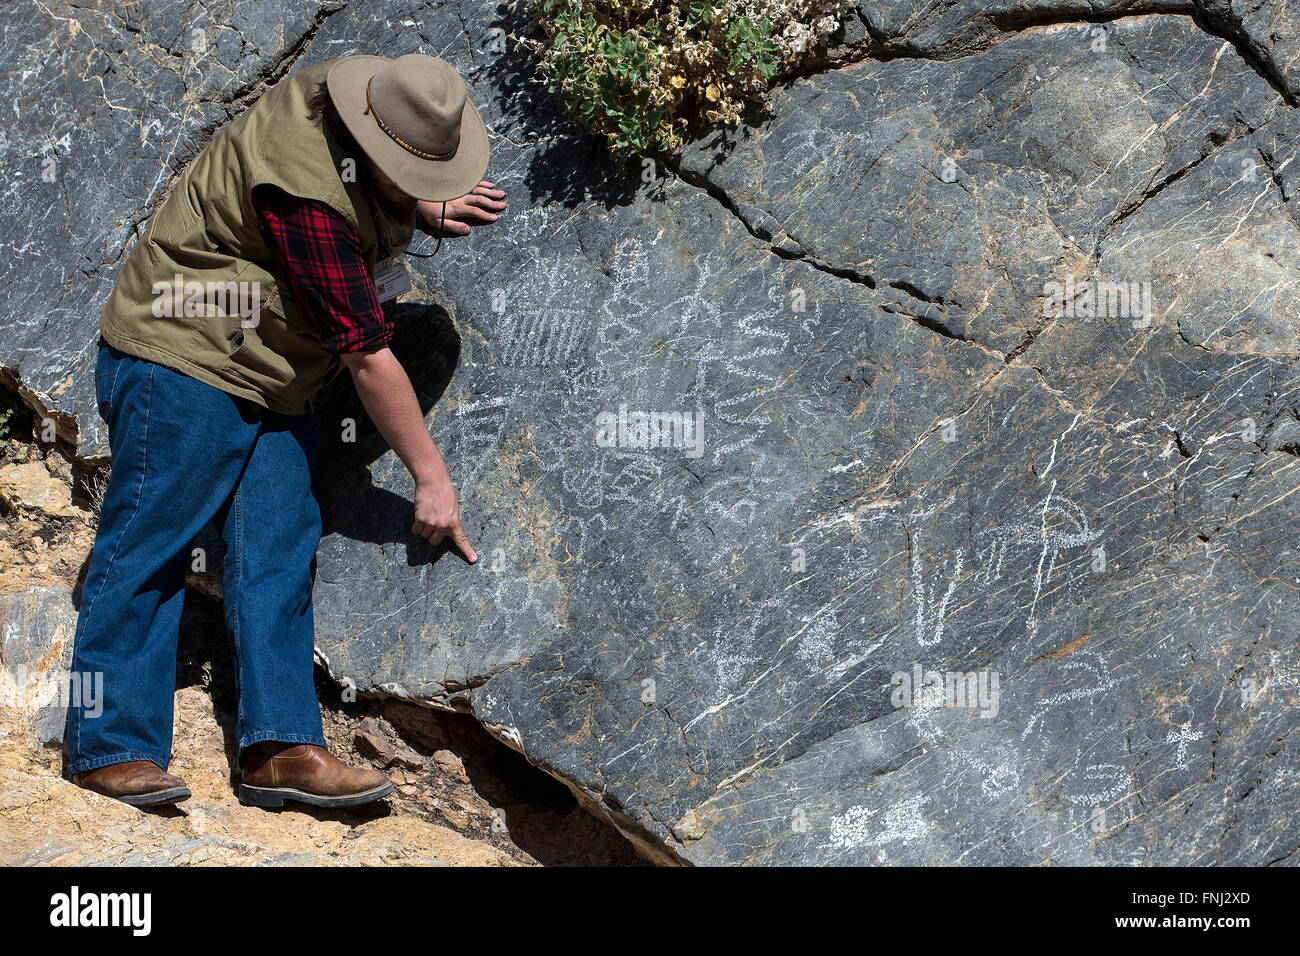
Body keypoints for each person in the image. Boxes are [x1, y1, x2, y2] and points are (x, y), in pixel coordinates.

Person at [65, 52, 506, 808]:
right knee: (151, 541)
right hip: (181, 347)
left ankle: (280, 749)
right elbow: (368, 355)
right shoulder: (303, 192)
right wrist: (430, 477)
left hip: (272, 363)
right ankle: (108, 743)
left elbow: (364, 192)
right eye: (411, 178)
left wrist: (415, 204)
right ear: (374, 155)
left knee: (280, 536)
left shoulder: (364, 104)